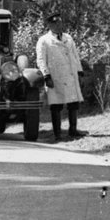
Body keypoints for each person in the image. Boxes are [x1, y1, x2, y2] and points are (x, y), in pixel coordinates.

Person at [35, 11, 84, 142]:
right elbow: (40, 59)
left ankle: (73, 129)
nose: (58, 25)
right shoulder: (44, 40)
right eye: (55, 23)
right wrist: (46, 75)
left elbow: (75, 55)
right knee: (56, 105)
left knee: (73, 102)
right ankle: (57, 133)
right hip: (55, 76)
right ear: (49, 25)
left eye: (60, 23)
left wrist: (79, 71)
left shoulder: (68, 38)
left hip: (70, 73)